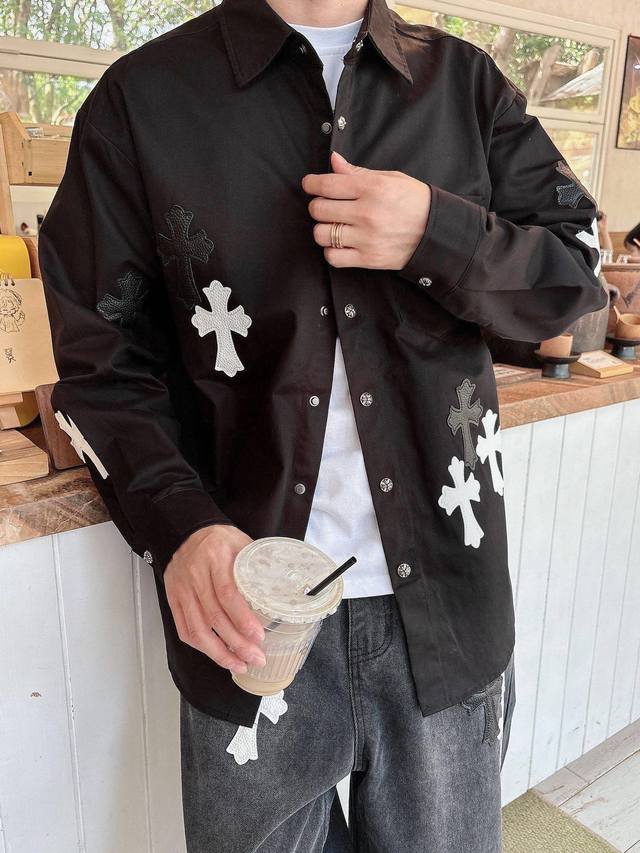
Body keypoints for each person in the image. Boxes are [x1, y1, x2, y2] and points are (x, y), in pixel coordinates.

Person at [37, 0, 607, 850]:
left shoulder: (466, 87)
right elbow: (98, 362)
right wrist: (180, 524)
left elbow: (577, 273)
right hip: (245, 615)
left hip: (448, 610)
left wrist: (437, 231)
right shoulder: (142, 99)